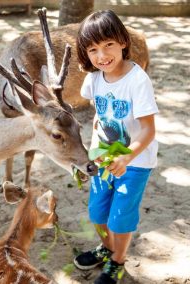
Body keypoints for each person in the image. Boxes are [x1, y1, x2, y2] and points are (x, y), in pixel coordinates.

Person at [73, 10, 159, 284]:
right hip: (102, 160)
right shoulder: (94, 79)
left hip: (133, 163)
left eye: (108, 44)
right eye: (93, 49)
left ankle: (117, 262)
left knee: (120, 218)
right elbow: (91, 107)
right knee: (97, 212)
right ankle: (107, 249)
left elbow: (148, 129)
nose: (102, 55)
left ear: (122, 41)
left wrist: (126, 157)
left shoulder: (137, 81)